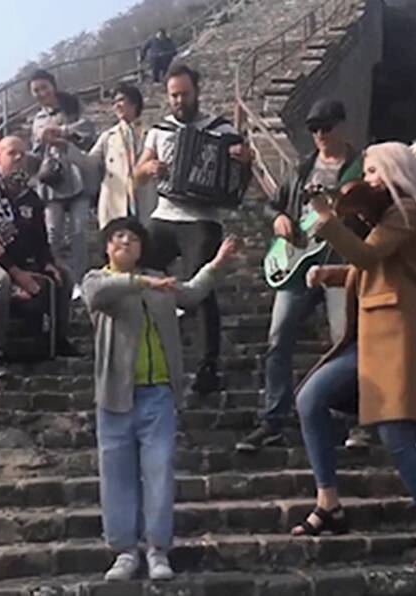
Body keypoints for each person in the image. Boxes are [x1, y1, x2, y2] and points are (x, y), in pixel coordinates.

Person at [292, 142, 416, 568]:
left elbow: (367, 254)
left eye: (373, 172)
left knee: (395, 438)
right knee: (310, 399)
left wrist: (326, 217)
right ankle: (329, 502)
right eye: (364, 172)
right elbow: (371, 268)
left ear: (397, 172)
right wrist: (328, 274)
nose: (365, 182)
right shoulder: (385, 219)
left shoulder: (408, 214)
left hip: (398, 337)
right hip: (368, 337)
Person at [82, 217, 237, 582]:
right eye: (117, 237)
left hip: (159, 392)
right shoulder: (97, 279)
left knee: (159, 471)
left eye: (132, 238)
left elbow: (192, 293)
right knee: (116, 474)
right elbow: (100, 296)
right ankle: (123, 550)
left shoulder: (158, 282)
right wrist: (144, 282)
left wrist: (216, 264)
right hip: (115, 394)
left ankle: (157, 548)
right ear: (106, 247)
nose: (124, 242)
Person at [236, 98, 362, 453]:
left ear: (342, 123)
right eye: (313, 129)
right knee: (277, 341)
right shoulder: (304, 167)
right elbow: (273, 203)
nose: (320, 134)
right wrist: (277, 218)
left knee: (346, 341)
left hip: (340, 265)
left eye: (326, 126)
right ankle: (273, 420)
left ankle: (357, 423)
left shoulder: (360, 168)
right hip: (296, 265)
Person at [134, 64, 252, 395]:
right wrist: (149, 167)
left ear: (196, 91)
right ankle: (142, 352)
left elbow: (240, 185)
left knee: (203, 285)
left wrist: (244, 160)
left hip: (203, 218)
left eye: (184, 94)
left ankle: (207, 366)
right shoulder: (159, 130)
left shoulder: (223, 129)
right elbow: (136, 174)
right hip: (164, 214)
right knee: (138, 268)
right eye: (173, 95)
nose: (179, 101)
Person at [0, 136, 80, 379]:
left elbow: (40, 241)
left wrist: (48, 264)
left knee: (63, 274)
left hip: (15, 261)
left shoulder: (31, 198)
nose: (19, 159)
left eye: (23, 154)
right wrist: (17, 274)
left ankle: (59, 339)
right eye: (12, 153)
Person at [29, 69, 99, 299]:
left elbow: (89, 131)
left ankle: (79, 278)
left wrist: (62, 131)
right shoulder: (37, 119)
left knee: (79, 230)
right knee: (52, 232)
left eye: (43, 87)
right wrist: (41, 140)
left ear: (53, 86)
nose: (41, 93)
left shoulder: (72, 106)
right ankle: (59, 275)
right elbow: (35, 153)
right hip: (52, 180)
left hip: (76, 173)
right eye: (36, 91)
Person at [67, 83, 157, 229]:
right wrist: (66, 148)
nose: (117, 105)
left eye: (121, 100)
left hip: (144, 199)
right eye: (114, 102)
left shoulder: (151, 134)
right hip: (116, 202)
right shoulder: (108, 137)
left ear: (134, 103)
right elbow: (89, 163)